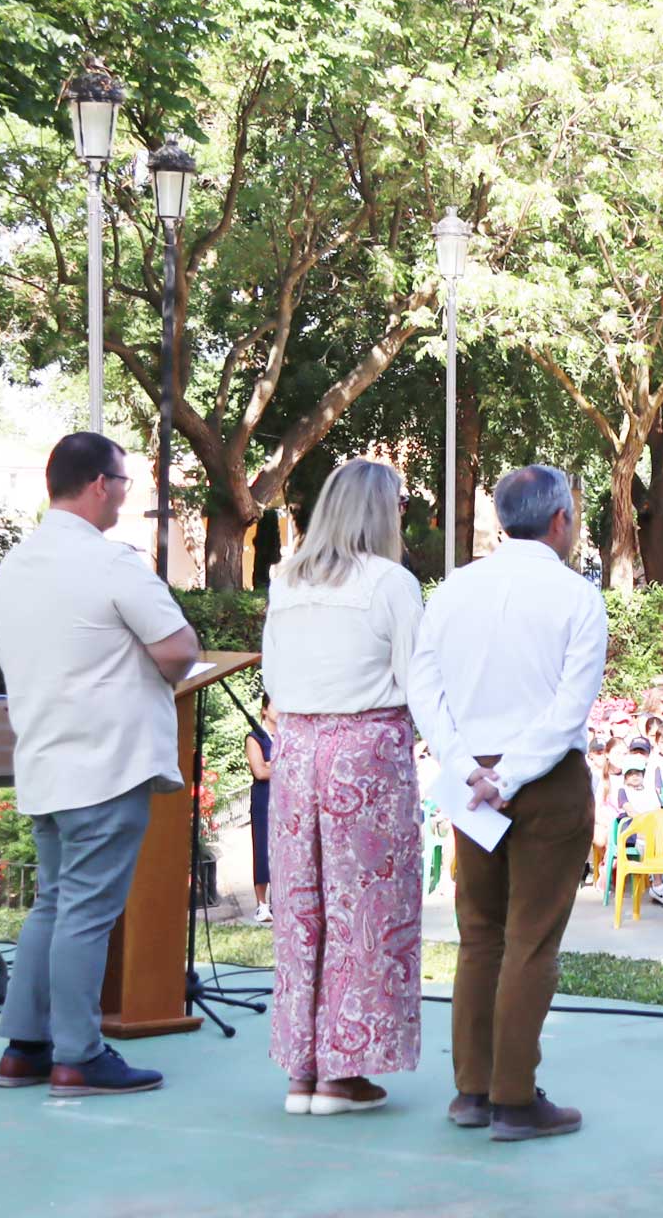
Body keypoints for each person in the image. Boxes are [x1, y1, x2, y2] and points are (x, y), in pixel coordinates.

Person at [0, 432, 199, 1096]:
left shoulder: (15, 564)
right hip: (108, 762)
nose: (124, 498)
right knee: (85, 911)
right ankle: (78, 1052)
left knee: (52, 903)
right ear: (99, 484)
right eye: (124, 484)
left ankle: (25, 1046)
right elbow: (178, 649)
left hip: (46, 755)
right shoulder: (112, 566)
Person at [409, 465, 605, 1145]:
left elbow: (424, 688)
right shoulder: (578, 596)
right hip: (544, 779)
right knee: (532, 939)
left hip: (473, 775)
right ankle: (515, 1099)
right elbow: (569, 706)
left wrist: (469, 769)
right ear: (559, 521)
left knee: (480, 932)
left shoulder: (454, 590)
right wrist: (513, 774)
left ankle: (473, 1088)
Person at [259, 458, 427, 1118]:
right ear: (381, 512)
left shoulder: (285, 581)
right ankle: (345, 1071)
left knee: (301, 910)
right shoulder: (392, 582)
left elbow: (274, 674)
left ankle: (302, 1071)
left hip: (296, 750)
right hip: (367, 752)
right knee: (368, 912)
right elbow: (417, 678)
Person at [246, 696, 276, 925]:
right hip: (263, 797)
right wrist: (276, 765)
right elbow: (260, 772)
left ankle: (280, 900)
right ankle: (261, 904)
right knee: (262, 846)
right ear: (264, 710)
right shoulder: (255, 737)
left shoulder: (288, 734)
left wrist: (270, 764)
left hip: (285, 795)